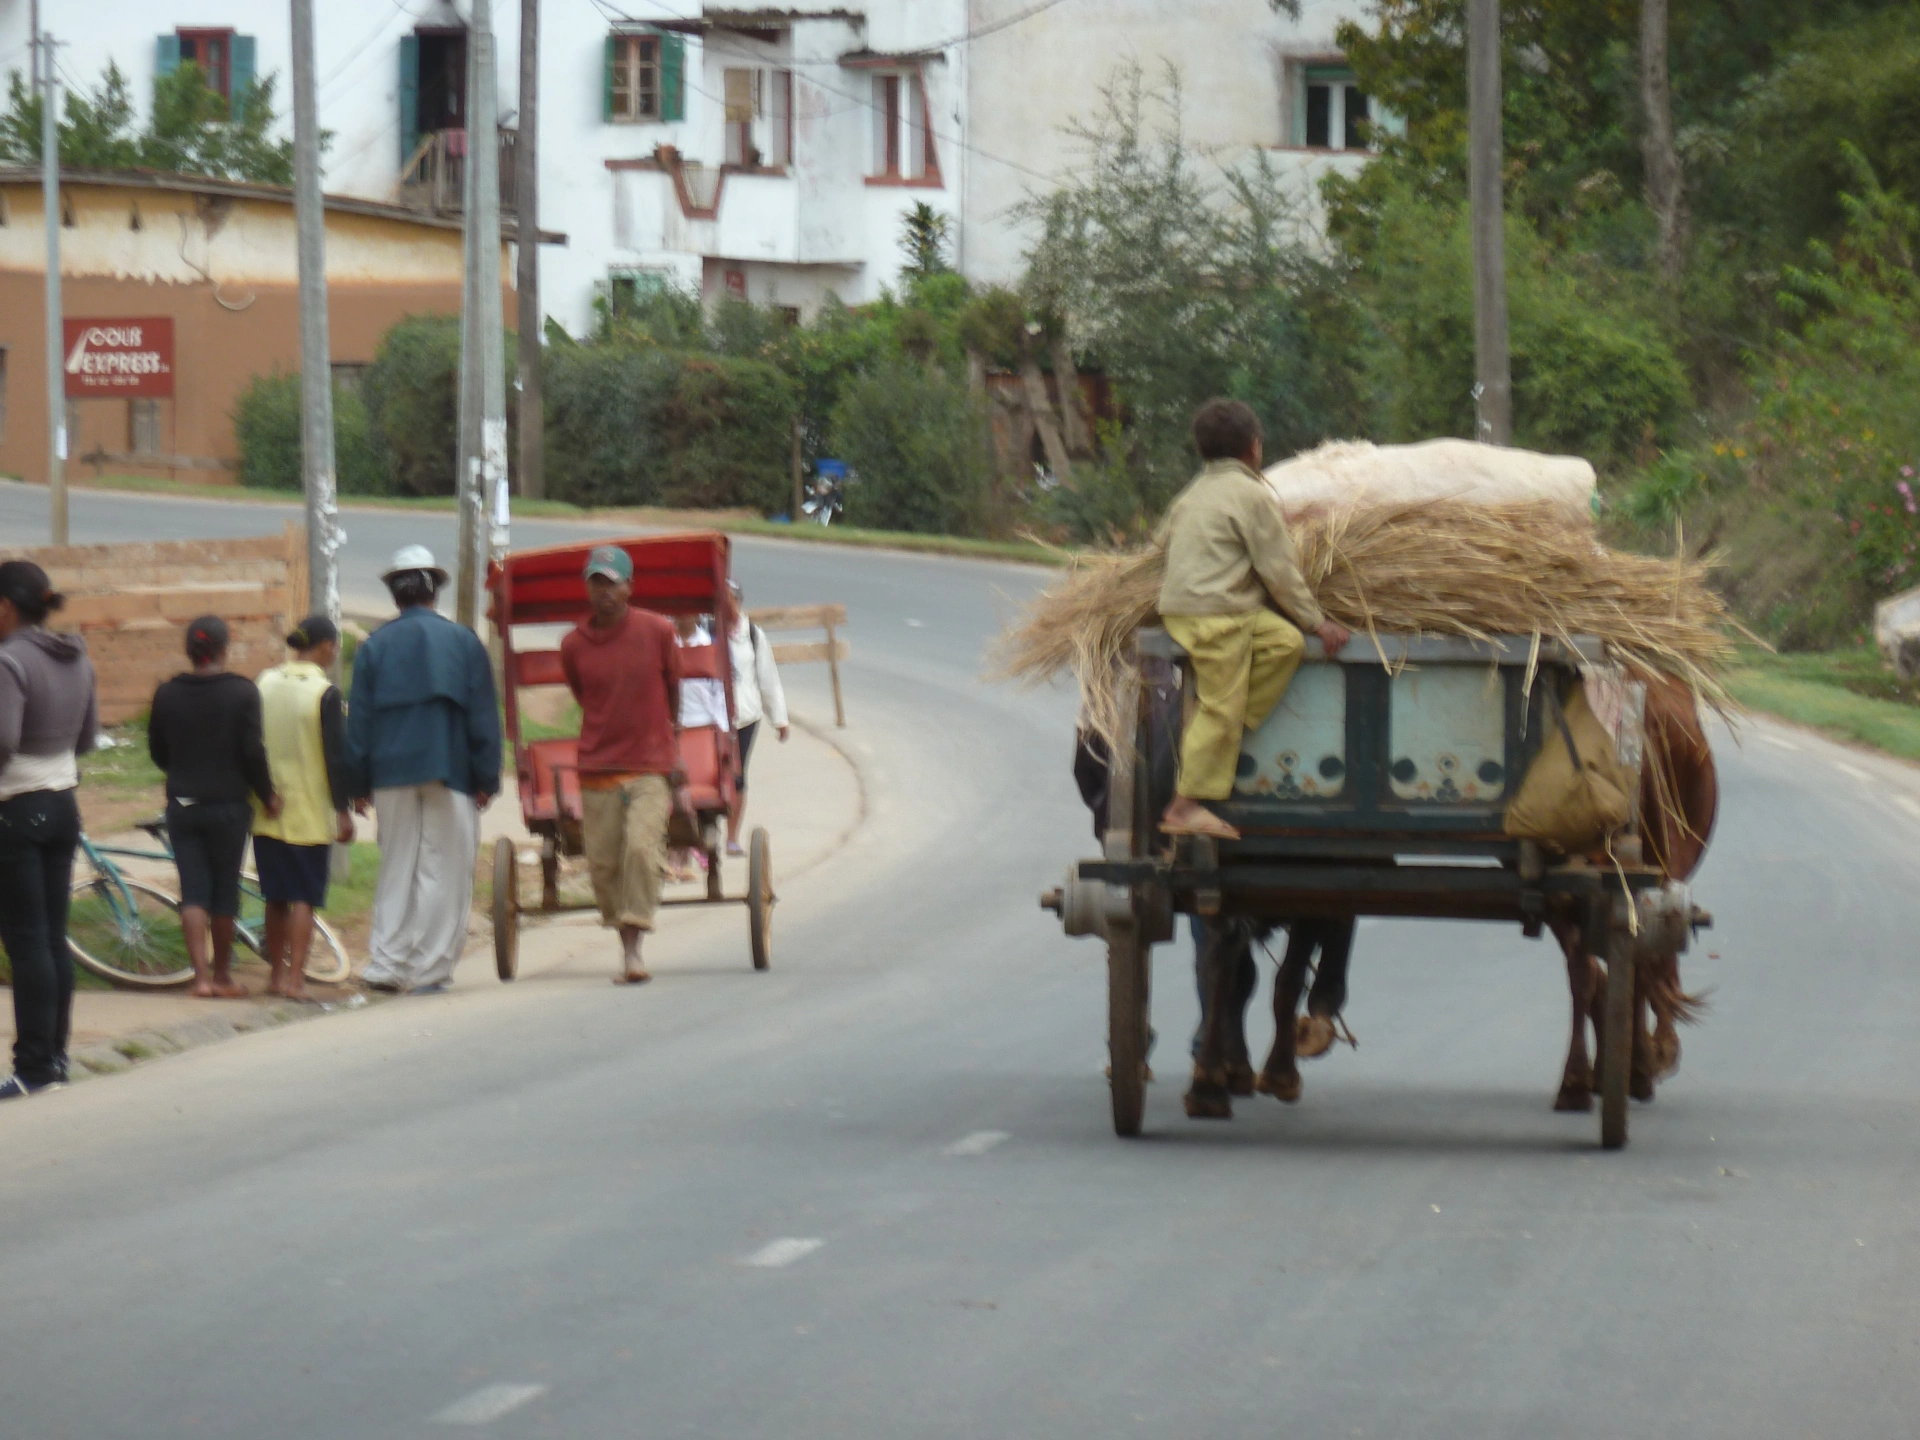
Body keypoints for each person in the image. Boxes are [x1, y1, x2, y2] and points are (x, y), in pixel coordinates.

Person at [1155, 399, 1351, 841]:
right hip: (1214, 615)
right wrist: (1318, 622)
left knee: (1285, 644)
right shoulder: (1251, 494)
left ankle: (1223, 730)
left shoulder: (1191, 494)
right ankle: (1184, 807)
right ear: (1254, 448)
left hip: (1205, 610)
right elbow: (1279, 570)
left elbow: (1159, 543)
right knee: (1220, 708)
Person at [344, 546, 499, 995]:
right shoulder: (464, 642)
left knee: (396, 867)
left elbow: (361, 724)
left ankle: (387, 965)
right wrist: (486, 779)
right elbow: (483, 719)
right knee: (443, 871)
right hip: (450, 771)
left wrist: (357, 785)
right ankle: (430, 970)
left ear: (395, 595)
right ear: (434, 591)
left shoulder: (374, 647)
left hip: (389, 774)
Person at [560, 546, 682, 984]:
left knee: (641, 849)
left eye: (613, 583)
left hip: (650, 767)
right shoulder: (573, 645)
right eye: (597, 582)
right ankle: (622, 937)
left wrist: (673, 745)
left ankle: (633, 951)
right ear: (587, 587)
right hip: (597, 769)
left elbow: (673, 688)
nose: (605, 592)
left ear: (629, 587)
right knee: (605, 864)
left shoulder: (658, 631)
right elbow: (582, 694)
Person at [0, 561, 98, 1099]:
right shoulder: (76, 655)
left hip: (16, 808)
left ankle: (33, 1067)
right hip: (63, 803)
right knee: (52, 937)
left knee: (27, 941)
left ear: (6, 608)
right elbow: (87, 737)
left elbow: (3, 739)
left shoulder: (10, 660)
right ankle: (56, 1059)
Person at [149, 615, 279, 999]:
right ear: (225, 649)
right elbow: (253, 752)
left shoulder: (167, 693)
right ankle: (222, 975)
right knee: (225, 891)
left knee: (193, 892)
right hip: (228, 806)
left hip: (183, 805)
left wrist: (181, 768)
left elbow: (158, 751)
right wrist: (267, 793)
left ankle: (200, 978)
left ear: (189, 651)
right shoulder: (242, 692)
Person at [253, 615, 354, 1001]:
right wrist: (342, 811)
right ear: (326, 646)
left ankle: (275, 976)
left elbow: (253, 741)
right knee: (304, 899)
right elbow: (334, 757)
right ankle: (296, 979)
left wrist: (263, 792)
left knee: (275, 897)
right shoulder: (323, 692)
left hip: (269, 810)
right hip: (309, 811)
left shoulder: (265, 681)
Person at [724, 579, 788, 856]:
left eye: (731, 599)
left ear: (739, 602)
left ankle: (731, 837)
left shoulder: (752, 634)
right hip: (710, 719)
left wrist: (779, 719)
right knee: (704, 776)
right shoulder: (705, 631)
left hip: (745, 717)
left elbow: (768, 678)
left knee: (737, 777)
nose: (727, 605)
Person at [669, 613, 728, 880]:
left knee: (700, 791)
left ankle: (695, 849)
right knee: (672, 792)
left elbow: (720, 692)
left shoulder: (709, 645)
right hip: (671, 728)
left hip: (703, 727)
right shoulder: (663, 642)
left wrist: (723, 733)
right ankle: (674, 858)